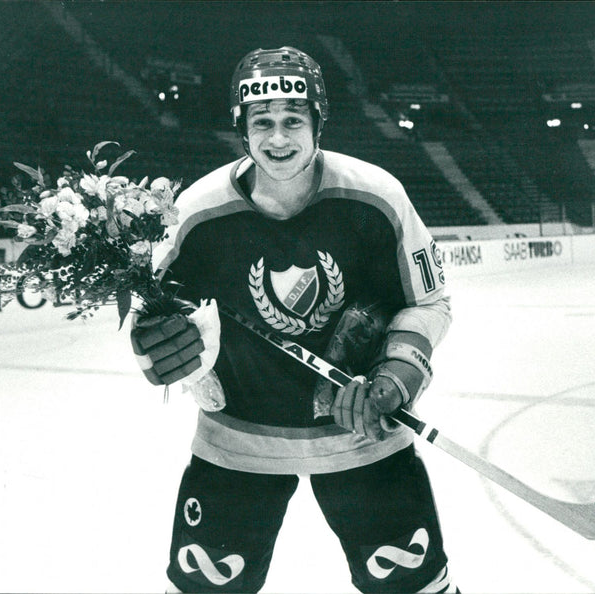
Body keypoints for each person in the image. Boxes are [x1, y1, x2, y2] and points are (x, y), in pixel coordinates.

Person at [130, 46, 455, 594]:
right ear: (242, 127)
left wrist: (395, 378)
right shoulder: (197, 212)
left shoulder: (378, 196)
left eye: (292, 121)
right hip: (238, 443)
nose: (277, 139)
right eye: (262, 123)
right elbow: (154, 315)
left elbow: (429, 302)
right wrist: (152, 349)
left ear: (317, 122)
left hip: (363, 433)